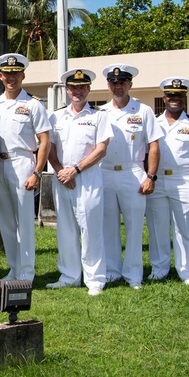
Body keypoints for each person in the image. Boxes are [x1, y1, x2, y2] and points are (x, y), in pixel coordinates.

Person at [46, 69, 113, 296]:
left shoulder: (99, 116)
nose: (78, 91)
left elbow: (101, 149)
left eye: (82, 87)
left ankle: (95, 279)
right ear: (67, 90)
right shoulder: (56, 116)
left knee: (91, 229)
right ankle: (69, 276)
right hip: (61, 179)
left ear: (88, 90)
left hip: (87, 178)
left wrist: (75, 170)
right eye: (74, 88)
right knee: (65, 229)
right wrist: (60, 172)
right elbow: (50, 149)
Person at [0, 53, 50, 282]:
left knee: (24, 223)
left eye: (16, 74)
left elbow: (45, 140)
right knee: (6, 222)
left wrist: (37, 172)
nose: (12, 78)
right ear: (1, 76)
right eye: (7, 74)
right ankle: (13, 269)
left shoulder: (33, 105)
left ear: (23, 75)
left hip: (23, 163)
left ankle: (27, 272)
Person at [144, 78, 189, 286]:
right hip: (157, 179)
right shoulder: (153, 123)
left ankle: (187, 271)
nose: (174, 99)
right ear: (164, 98)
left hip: (184, 180)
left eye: (179, 95)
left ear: (185, 98)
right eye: (170, 95)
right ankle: (159, 269)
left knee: (186, 228)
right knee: (157, 227)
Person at [99, 64, 162, 289]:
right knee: (108, 226)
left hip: (132, 172)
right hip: (105, 172)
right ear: (108, 85)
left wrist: (151, 177)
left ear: (130, 84)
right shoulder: (101, 112)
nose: (118, 86)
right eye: (114, 83)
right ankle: (112, 271)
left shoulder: (143, 111)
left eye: (122, 82)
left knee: (135, 226)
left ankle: (134, 273)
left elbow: (154, 145)